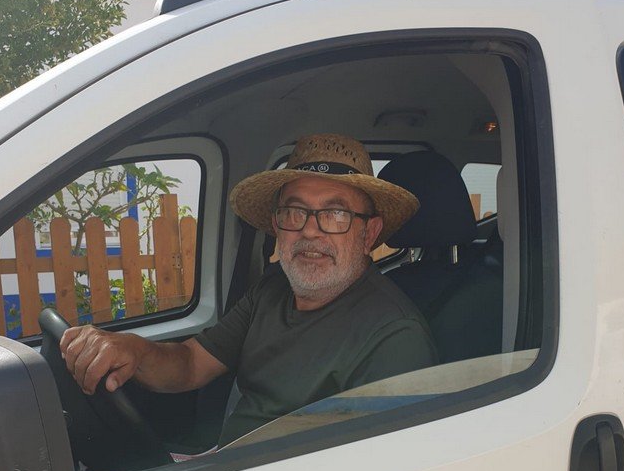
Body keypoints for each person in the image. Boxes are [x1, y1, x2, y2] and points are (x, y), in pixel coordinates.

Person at [60, 133, 438, 447]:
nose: (310, 230)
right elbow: (191, 364)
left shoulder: (394, 338)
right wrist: (132, 350)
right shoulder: (273, 287)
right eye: (295, 212)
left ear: (369, 233)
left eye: (336, 214)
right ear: (277, 226)